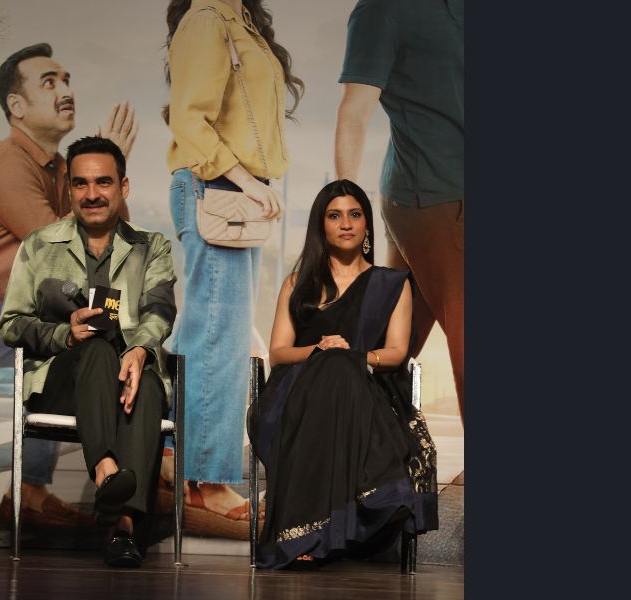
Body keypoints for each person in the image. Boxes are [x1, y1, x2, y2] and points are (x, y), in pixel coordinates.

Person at [161, 0, 304, 539]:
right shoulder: (208, 19)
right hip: (219, 190)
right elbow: (190, 119)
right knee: (219, 340)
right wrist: (247, 183)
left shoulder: (237, 20)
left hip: (229, 194)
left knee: (206, 333)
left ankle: (176, 457)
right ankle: (208, 480)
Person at [0, 136, 177, 568]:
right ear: (69, 189)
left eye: (103, 182)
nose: (92, 194)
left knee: (147, 384)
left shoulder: (151, 246)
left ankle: (122, 528)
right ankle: (106, 471)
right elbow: (11, 323)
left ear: (123, 187)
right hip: (61, 385)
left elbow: (160, 309)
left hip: (129, 382)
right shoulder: (39, 245)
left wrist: (139, 349)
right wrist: (64, 334)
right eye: (80, 183)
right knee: (95, 345)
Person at [248, 180, 438, 569]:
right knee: (333, 365)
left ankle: (313, 533)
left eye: (355, 214)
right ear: (321, 225)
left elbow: (396, 352)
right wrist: (320, 350)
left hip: (367, 390)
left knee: (342, 367)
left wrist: (351, 357)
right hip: (297, 392)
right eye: (334, 216)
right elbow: (279, 352)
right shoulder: (298, 283)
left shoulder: (391, 284)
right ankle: (372, 501)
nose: (346, 224)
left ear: (367, 224)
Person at [0, 43, 139, 530]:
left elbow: (118, 245)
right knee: (85, 336)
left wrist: (107, 173)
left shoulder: (62, 167)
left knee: (129, 334)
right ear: (16, 106)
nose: (65, 90)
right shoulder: (7, 162)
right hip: (6, 317)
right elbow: (57, 250)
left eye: (66, 79)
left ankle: (129, 473)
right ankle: (45, 490)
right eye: (49, 82)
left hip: (51, 309)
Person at [334, 0, 464, 424]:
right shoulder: (382, 10)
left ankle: (356, 443)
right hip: (437, 196)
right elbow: (354, 111)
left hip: (433, 195)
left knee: (390, 345)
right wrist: (343, 202)